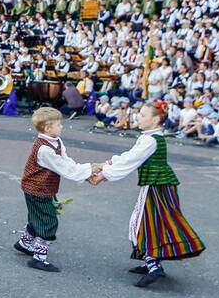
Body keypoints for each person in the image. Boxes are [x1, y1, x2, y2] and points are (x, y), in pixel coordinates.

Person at [94, 102, 205, 287]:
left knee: (143, 224)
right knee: (152, 223)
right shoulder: (149, 137)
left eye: (143, 115)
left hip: (156, 185)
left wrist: (104, 174)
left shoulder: (150, 140)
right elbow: (129, 156)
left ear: (155, 119)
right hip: (158, 185)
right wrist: (105, 164)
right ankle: (151, 262)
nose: (138, 117)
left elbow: (130, 160)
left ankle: (153, 266)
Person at [14, 107, 94, 272]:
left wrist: (85, 172)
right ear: (47, 128)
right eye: (58, 124)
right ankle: (39, 258)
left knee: (37, 217)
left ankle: (24, 243)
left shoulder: (55, 140)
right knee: (49, 221)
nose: (61, 127)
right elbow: (63, 167)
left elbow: (66, 161)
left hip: (42, 188)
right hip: (36, 189)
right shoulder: (44, 149)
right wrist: (89, 171)